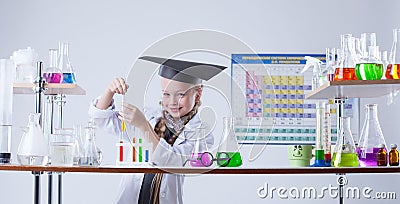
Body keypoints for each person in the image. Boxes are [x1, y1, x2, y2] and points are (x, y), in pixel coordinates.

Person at [89, 56, 227, 204]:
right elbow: (102, 119)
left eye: (181, 94)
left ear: (198, 94)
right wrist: (110, 91)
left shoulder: (200, 133)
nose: (172, 102)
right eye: (166, 94)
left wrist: (143, 126)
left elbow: (171, 161)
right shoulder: (148, 116)